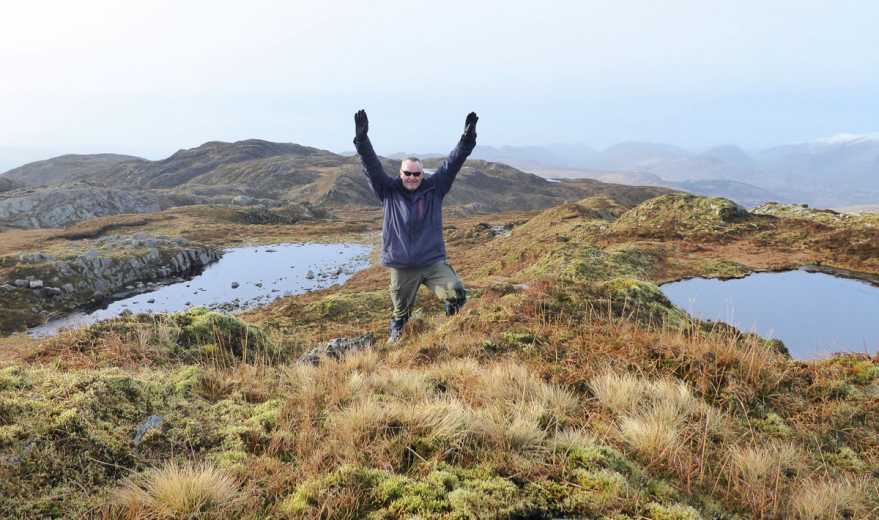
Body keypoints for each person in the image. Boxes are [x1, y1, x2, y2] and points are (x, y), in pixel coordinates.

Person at [353, 109, 478, 343]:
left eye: (416, 174)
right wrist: (362, 141)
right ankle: (397, 337)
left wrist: (467, 140)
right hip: (402, 267)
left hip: (431, 263)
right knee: (401, 315)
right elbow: (371, 166)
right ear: (400, 173)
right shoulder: (388, 190)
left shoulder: (435, 188)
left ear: (422, 174)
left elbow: (453, 164)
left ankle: (453, 333)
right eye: (407, 173)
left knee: (456, 293)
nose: (412, 177)